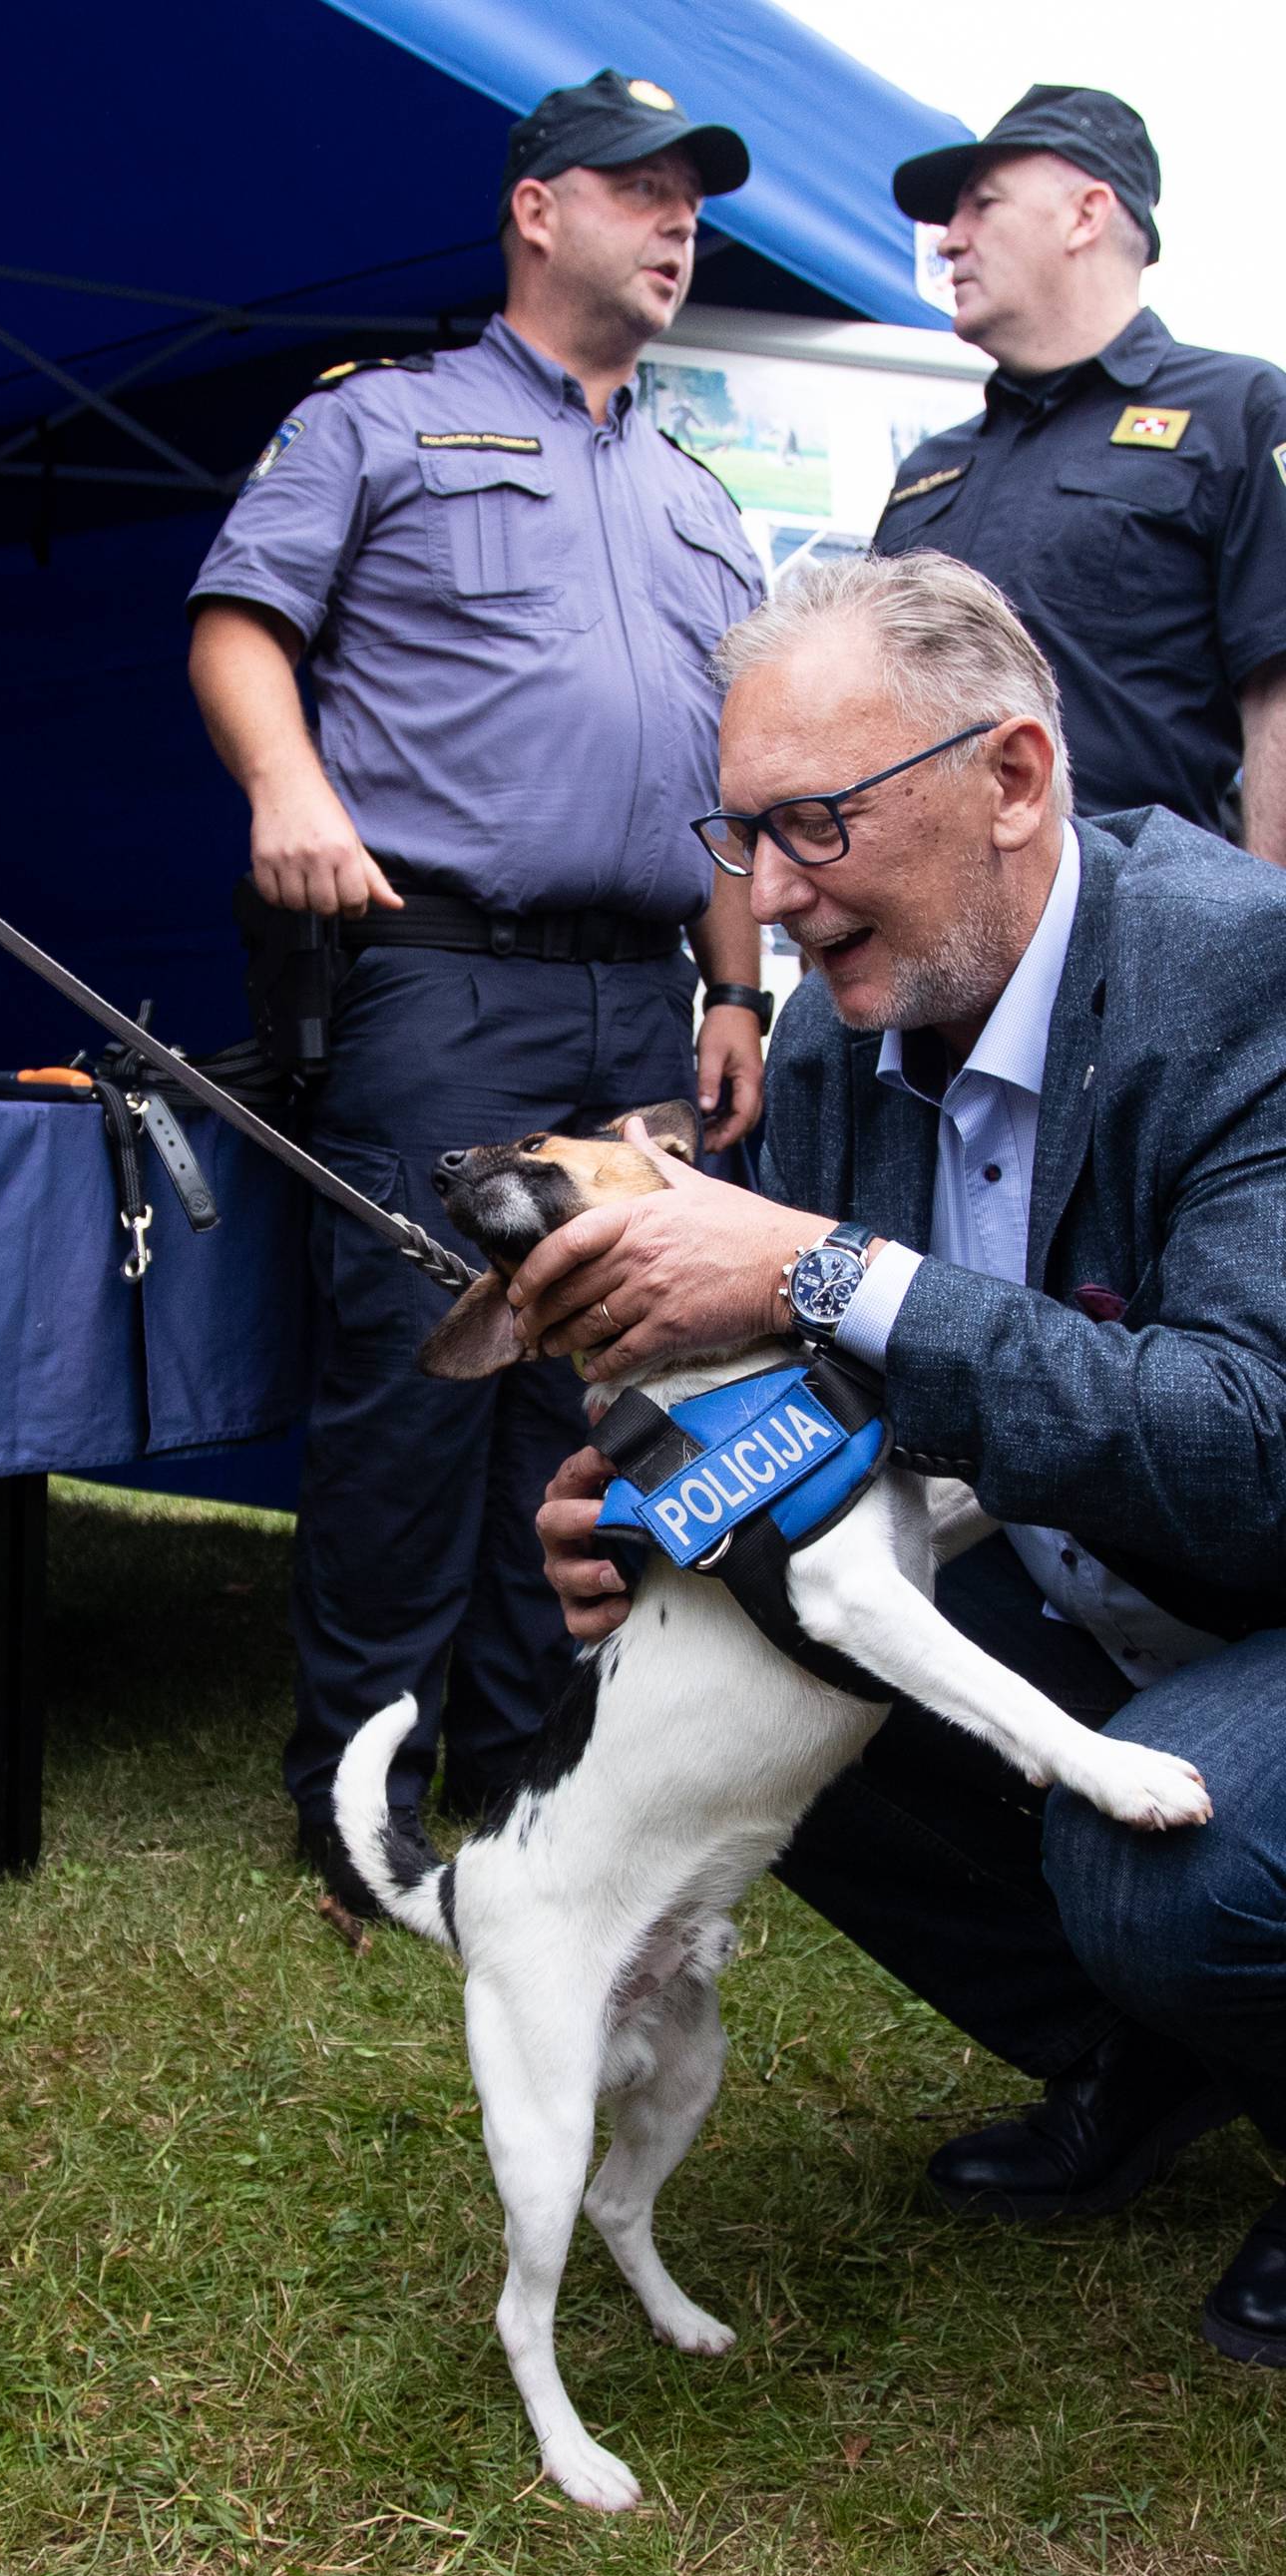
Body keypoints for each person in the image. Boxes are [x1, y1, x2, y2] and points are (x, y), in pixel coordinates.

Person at [522, 552, 1286, 2367]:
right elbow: (856, 1417)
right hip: (1113, 1595)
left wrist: (822, 1266)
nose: (772, 896)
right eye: (743, 835)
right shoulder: (839, 1037)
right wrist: (666, 1503)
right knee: (748, 1651)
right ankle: (1144, 2061)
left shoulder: (1244, 974)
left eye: (818, 824)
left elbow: (1251, 1447)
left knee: (1168, 1849)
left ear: (1014, 777)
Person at [187, 70, 772, 1904]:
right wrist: (289, 789)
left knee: (591, 1394)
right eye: (641, 191)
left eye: (694, 200)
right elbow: (239, 621)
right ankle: (359, 1804)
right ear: (538, 208)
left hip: (634, 1003)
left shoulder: (698, 497)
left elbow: (734, 784)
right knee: (418, 1388)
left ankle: (531, 1790)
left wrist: (736, 991)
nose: (678, 223)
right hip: (441, 978)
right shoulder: (390, 422)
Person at [875, 85, 1286, 860]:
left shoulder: (1239, 412)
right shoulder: (931, 468)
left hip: (1140, 935)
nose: (949, 240)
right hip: (934, 946)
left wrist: (1264, 944)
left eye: (982, 205)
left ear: (1086, 214)